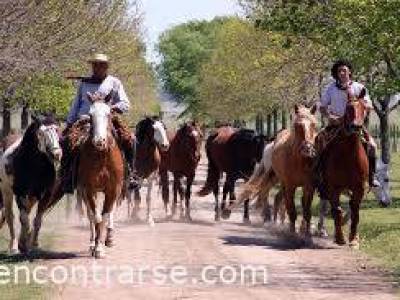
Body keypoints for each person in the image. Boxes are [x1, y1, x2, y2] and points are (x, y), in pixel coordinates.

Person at [61, 53, 139, 194]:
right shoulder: (84, 84)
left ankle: (131, 173)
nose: (97, 67)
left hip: (108, 118)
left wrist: (112, 107)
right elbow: (76, 104)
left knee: (131, 139)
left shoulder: (114, 82)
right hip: (84, 119)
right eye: (95, 65)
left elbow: (125, 103)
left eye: (101, 65)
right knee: (67, 140)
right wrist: (69, 123)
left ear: (106, 67)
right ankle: (67, 176)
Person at [318, 59, 380, 188]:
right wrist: (330, 116)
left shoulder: (359, 87)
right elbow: (322, 107)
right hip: (335, 125)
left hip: (355, 125)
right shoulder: (330, 89)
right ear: (336, 73)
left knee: (372, 146)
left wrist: (361, 106)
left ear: (349, 72)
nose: (342, 73)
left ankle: (371, 177)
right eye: (339, 71)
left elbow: (369, 105)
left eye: (344, 70)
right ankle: (319, 177)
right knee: (318, 143)